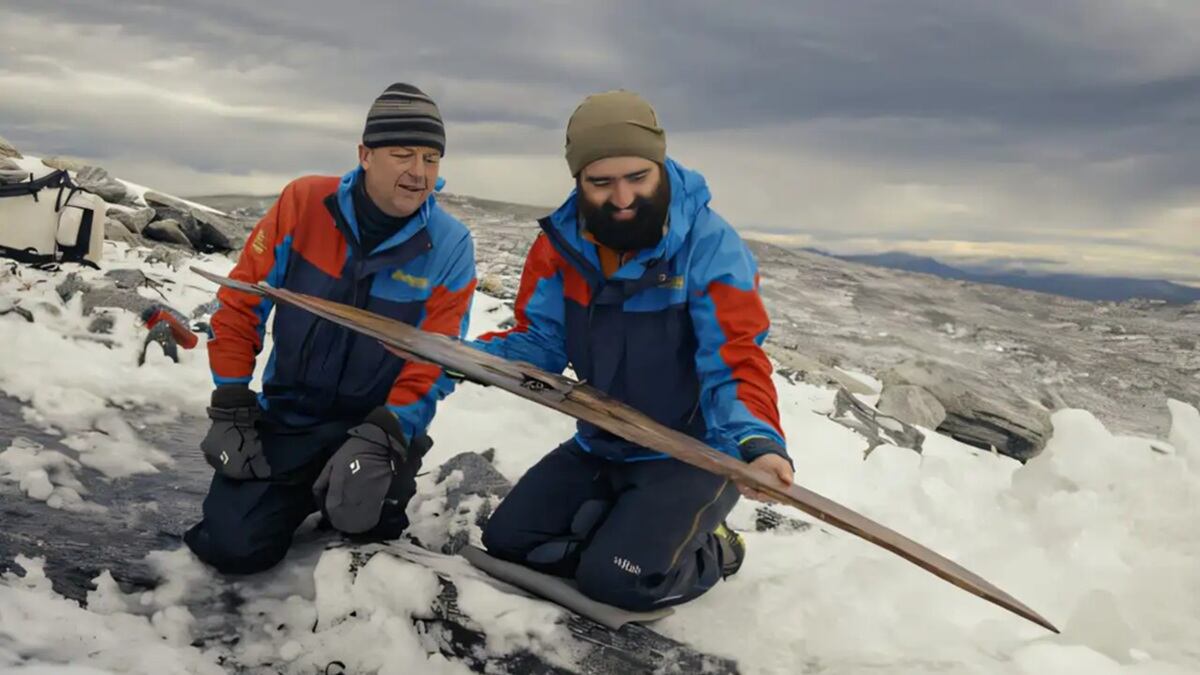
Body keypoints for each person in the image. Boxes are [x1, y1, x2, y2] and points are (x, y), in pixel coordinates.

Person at [472, 90, 793, 610]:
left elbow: (735, 354)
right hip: (604, 441)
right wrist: (469, 357)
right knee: (509, 543)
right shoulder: (561, 247)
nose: (622, 198)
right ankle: (626, 529)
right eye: (601, 183)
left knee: (618, 583)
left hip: (693, 454)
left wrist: (755, 440)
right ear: (577, 181)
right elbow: (542, 343)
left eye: (637, 178)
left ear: (660, 167)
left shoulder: (709, 245)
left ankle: (718, 549)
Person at [184, 83, 477, 575]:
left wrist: (388, 431)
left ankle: (366, 483)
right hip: (289, 416)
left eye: (431, 158)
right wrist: (231, 404)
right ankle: (300, 489)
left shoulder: (448, 244)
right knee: (231, 547)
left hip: (373, 424)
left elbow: (438, 357)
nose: (419, 173)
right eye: (403, 154)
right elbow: (241, 303)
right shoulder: (304, 204)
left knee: (363, 528)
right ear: (365, 154)